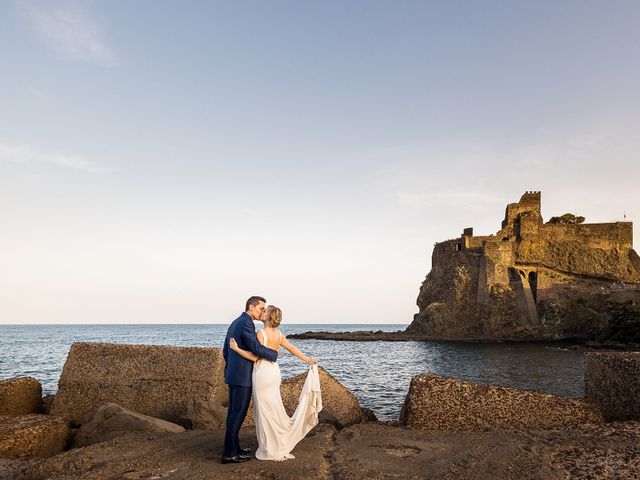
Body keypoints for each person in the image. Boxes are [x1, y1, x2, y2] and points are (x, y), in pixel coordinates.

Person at [229, 304, 322, 461]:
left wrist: (237, 349)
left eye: (265, 311)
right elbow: (292, 348)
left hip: (262, 374)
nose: (262, 313)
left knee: (264, 410)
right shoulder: (278, 334)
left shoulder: (260, 334)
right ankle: (278, 442)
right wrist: (307, 359)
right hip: (274, 373)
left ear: (268, 316)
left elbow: (255, 357)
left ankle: (269, 447)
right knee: (274, 407)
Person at [221, 296, 279, 464]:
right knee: (237, 414)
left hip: (234, 375)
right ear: (251, 307)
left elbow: (226, 350)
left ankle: (234, 447)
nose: (263, 311)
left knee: (233, 413)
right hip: (242, 377)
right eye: (261, 308)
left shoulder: (235, 322)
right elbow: (255, 347)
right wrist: (274, 354)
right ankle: (229, 454)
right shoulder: (247, 323)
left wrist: (232, 368)